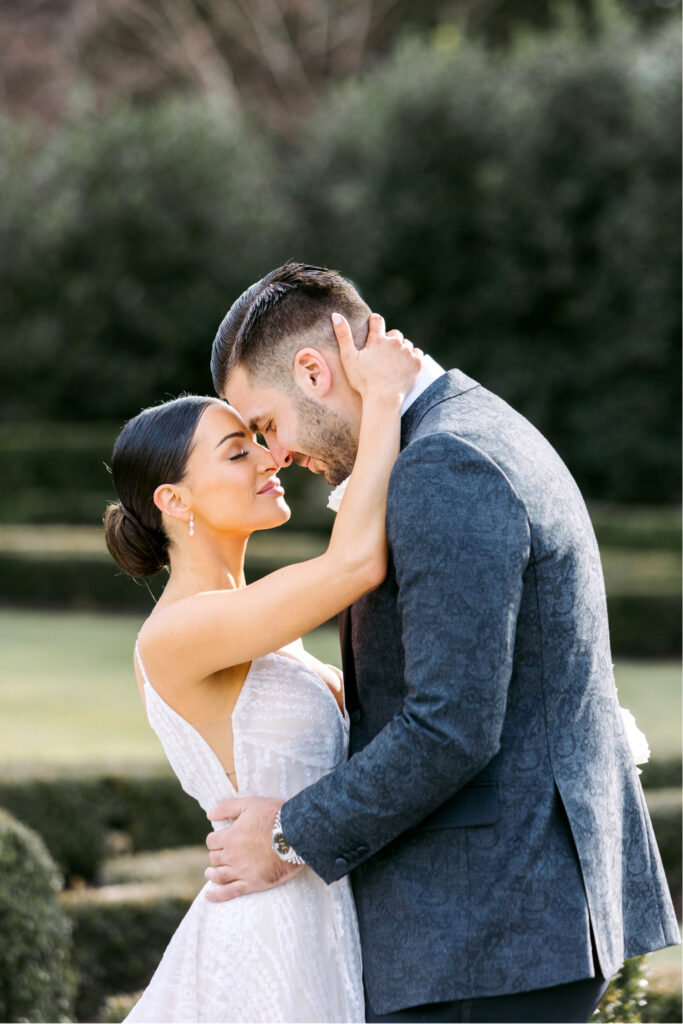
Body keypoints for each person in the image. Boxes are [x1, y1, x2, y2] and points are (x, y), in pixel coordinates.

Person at [205, 262, 680, 1024]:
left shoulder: (444, 465)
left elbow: (450, 724)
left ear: (313, 370)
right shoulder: (459, 430)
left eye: (266, 425)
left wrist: (288, 834)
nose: (275, 454)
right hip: (498, 926)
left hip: (482, 933)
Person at [103, 317, 423, 1022]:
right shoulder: (179, 633)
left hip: (323, 920)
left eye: (259, 442)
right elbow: (355, 564)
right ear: (174, 501)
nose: (268, 459)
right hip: (266, 941)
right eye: (236, 451)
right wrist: (381, 401)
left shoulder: (253, 618)